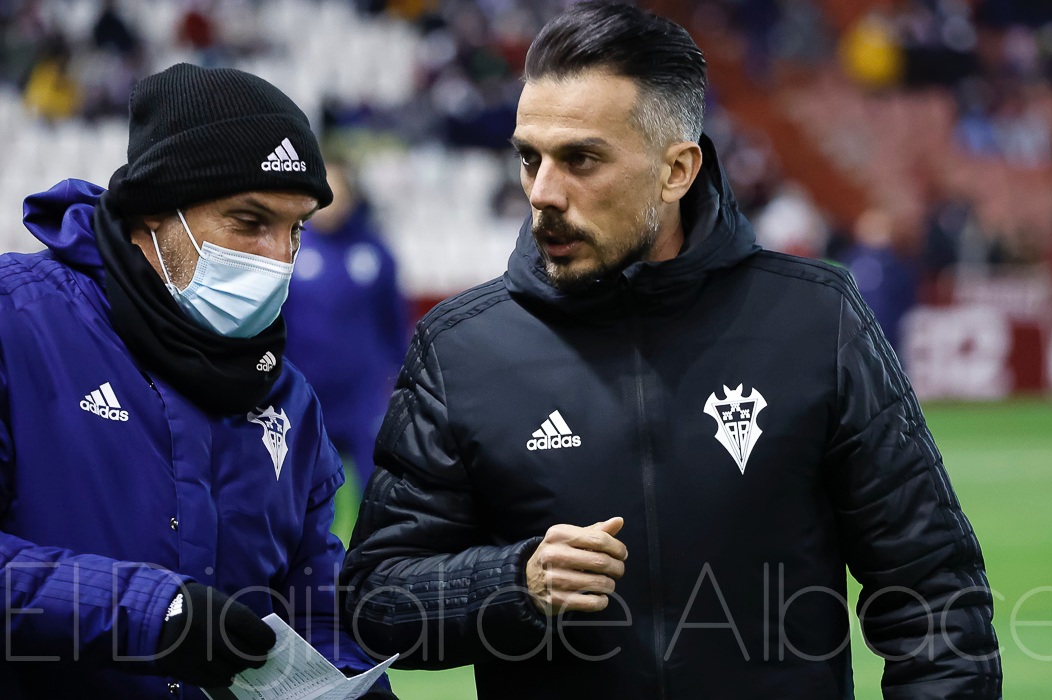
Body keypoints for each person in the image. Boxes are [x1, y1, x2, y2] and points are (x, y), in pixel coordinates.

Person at [340, 3, 1001, 699]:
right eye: (529, 159)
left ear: (677, 170)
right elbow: (376, 602)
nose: (542, 193)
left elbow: (936, 595)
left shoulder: (816, 321)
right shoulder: (463, 350)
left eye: (581, 160)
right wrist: (511, 583)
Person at [0, 63, 395, 700]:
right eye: (248, 222)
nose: (278, 259)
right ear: (155, 211)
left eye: (295, 230)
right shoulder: (16, 324)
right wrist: (156, 613)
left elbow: (317, 613)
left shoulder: (289, 398)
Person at [282, 161, 410, 495]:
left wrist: (400, 377)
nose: (331, 201)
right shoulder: (289, 250)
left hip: (363, 394)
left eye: (339, 192)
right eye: (324, 192)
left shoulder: (375, 251)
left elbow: (393, 321)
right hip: (307, 391)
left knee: (375, 488)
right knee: (306, 491)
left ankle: (375, 549)